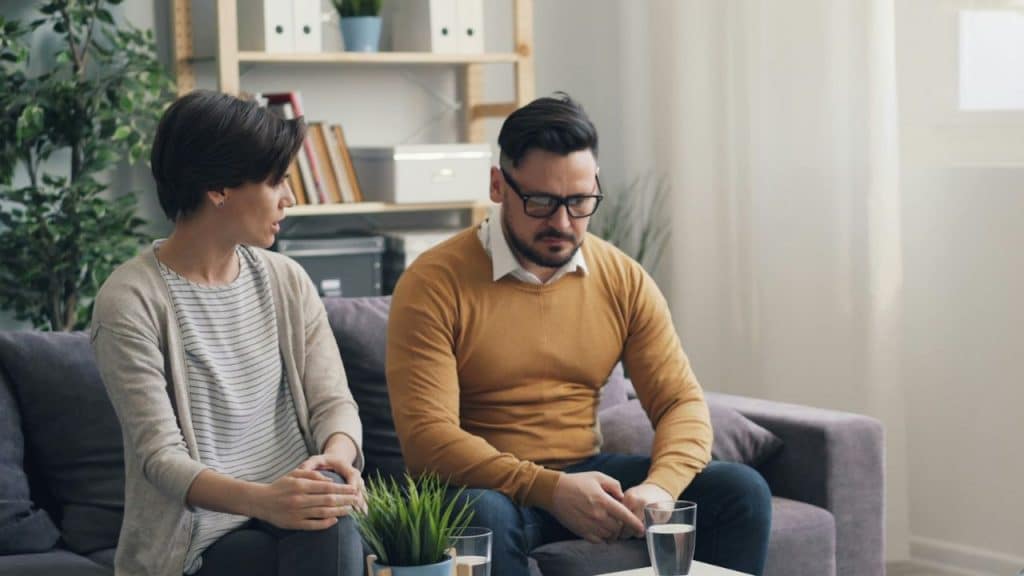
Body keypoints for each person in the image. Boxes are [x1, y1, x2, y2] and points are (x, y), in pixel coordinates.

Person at [386, 93, 772, 576]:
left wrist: (660, 488)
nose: (563, 223)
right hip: (484, 486)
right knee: (481, 514)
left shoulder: (622, 277)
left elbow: (680, 403)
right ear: (497, 186)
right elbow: (428, 440)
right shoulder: (433, 282)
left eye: (580, 201)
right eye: (542, 201)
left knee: (741, 492)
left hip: (587, 473)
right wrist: (547, 488)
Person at [91, 90, 365, 576]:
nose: (290, 199)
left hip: (299, 511)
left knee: (332, 523)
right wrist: (267, 501)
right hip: (200, 536)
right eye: (277, 181)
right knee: (316, 535)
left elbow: (334, 405)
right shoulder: (129, 299)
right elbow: (161, 458)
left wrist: (334, 468)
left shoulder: (286, 280)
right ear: (218, 187)